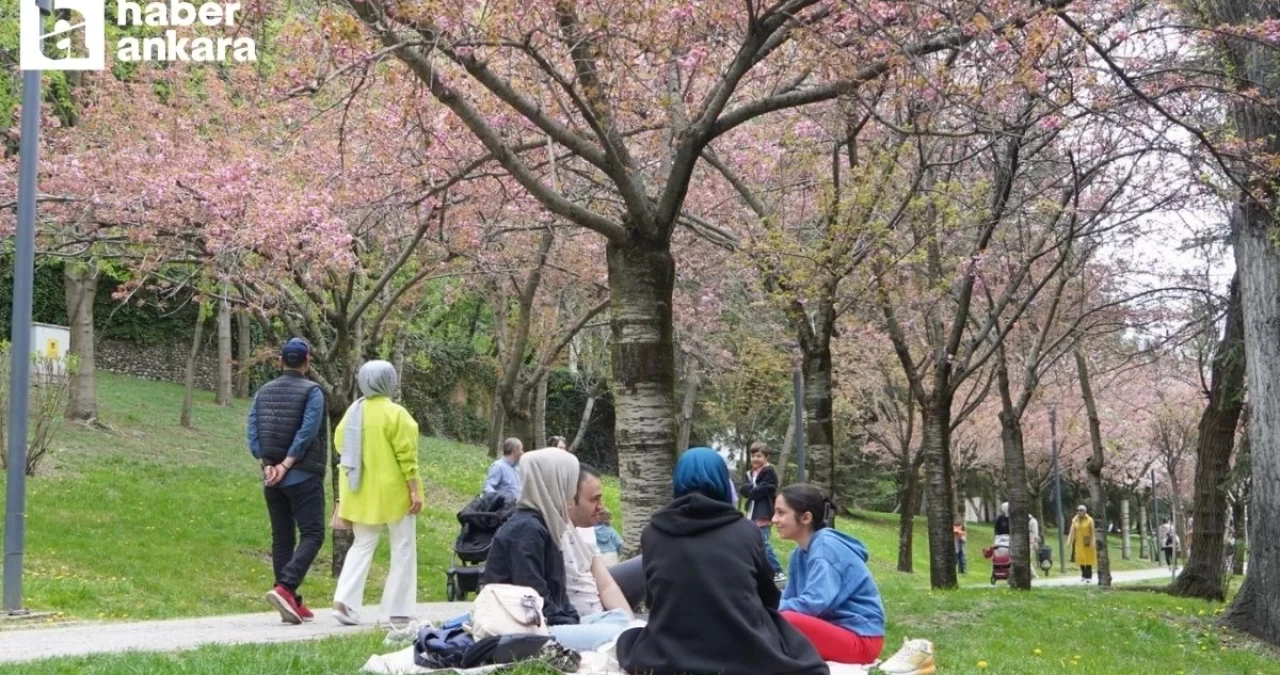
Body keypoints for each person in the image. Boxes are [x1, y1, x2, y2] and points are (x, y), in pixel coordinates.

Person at [616, 449, 826, 675]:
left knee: (629, 640)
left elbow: (654, 598)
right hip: (743, 645)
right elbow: (768, 595)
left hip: (671, 648)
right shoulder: (746, 530)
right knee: (787, 636)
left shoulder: (653, 532)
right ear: (722, 482)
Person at [483, 449, 631, 652]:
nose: (570, 494)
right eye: (568, 483)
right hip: (528, 632)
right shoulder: (526, 530)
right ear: (555, 483)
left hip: (550, 623)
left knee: (622, 619)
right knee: (623, 633)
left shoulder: (544, 523)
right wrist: (574, 623)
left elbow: (559, 596)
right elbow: (534, 602)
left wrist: (573, 619)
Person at [331, 361, 423, 627]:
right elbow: (407, 456)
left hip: (359, 490)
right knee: (403, 546)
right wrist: (414, 490)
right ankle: (398, 609)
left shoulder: (353, 413)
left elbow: (340, 445)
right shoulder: (397, 414)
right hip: (394, 491)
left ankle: (345, 603)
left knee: (362, 544)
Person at [248, 337, 327, 624]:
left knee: (282, 538)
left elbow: (253, 430)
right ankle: (286, 587)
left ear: (281, 361)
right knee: (313, 534)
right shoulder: (313, 392)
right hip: (302, 474)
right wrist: (286, 464)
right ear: (307, 362)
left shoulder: (263, 392)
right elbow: (308, 431)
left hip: (271, 477)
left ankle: (290, 600)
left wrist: (267, 464)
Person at [773, 484, 886, 665]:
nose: (774, 519)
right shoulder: (798, 554)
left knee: (785, 619)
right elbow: (789, 599)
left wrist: (767, 608)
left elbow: (814, 602)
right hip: (833, 629)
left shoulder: (825, 547)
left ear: (806, 517)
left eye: (780, 513)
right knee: (775, 618)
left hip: (862, 640)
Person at [738, 442, 784, 582]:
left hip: (763, 512)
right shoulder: (750, 473)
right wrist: (752, 489)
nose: (755, 459)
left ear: (766, 457)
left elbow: (766, 489)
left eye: (759, 456)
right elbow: (744, 490)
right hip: (752, 512)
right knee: (751, 541)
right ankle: (756, 569)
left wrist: (752, 490)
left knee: (763, 542)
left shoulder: (769, 471)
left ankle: (778, 571)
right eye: (753, 456)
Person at [1067, 504, 1097, 583]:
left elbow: (1093, 532)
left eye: (1081, 510)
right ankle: (1083, 575)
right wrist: (1069, 541)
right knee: (1080, 559)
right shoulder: (1075, 520)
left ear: (1085, 511)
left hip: (1087, 541)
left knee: (1088, 559)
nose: (1078, 512)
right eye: (1077, 510)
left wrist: (1093, 542)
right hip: (1079, 543)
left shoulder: (1089, 520)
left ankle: (1088, 576)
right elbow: (1072, 531)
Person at [1028, 513, 1041, 579]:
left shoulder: (1033, 521)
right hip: (1028, 542)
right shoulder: (1031, 521)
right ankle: (1031, 574)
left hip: (1031, 542)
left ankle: (1033, 574)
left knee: (1027, 559)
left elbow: (1035, 533)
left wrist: (1035, 542)